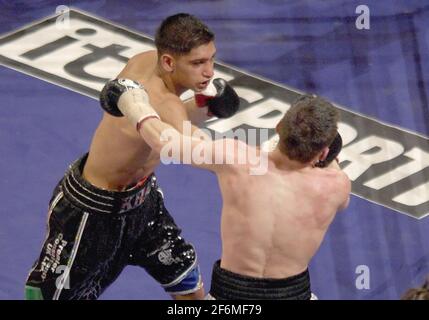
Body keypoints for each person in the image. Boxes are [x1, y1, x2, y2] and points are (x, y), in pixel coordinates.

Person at [25, 13, 239, 300]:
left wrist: (204, 108)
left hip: (142, 204)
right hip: (91, 213)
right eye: (198, 63)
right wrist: (262, 161)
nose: (209, 72)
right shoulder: (167, 105)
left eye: (211, 59)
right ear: (168, 62)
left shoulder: (145, 60)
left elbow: (157, 122)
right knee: (52, 296)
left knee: (188, 287)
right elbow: (186, 145)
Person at [99, 86, 351, 300]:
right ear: (323, 153)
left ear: (278, 127)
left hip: (230, 297)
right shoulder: (337, 187)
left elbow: (166, 143)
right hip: (293, 293)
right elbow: (324, 166)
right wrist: (327, 154)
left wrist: (132, 101)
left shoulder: (234, 158)